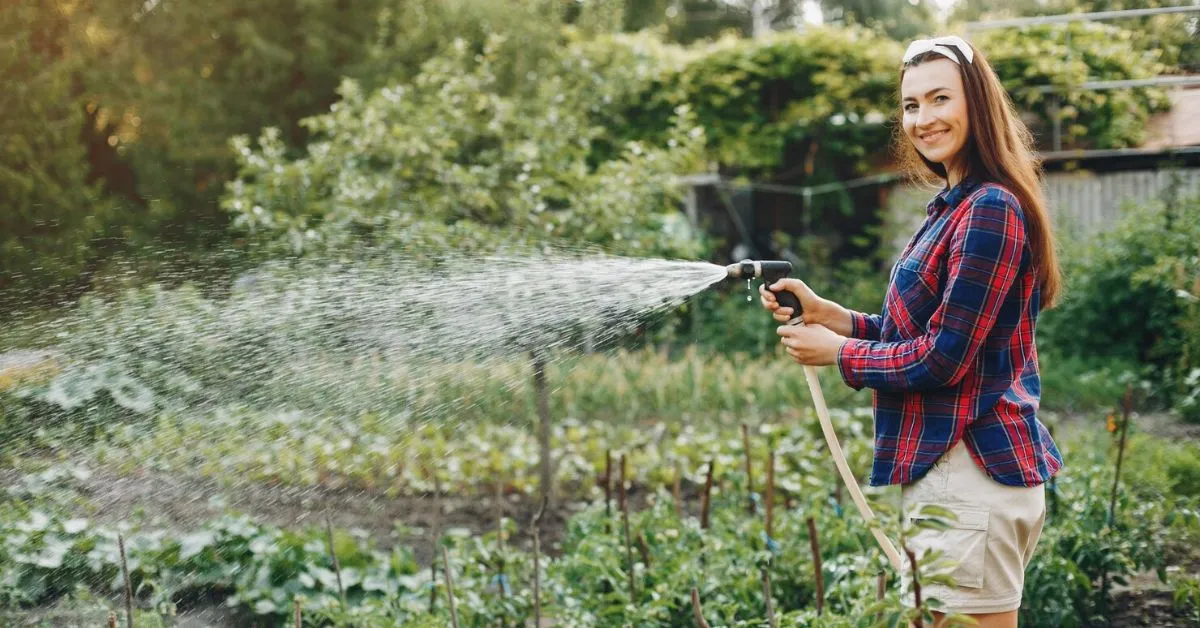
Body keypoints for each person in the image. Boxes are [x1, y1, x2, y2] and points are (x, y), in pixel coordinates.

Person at [759, 35, 1062, 627]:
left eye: (939, 99)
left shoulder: (989, 209)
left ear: (977, 103)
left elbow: (943, 358)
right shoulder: (954, 206)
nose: (923, 119)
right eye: (911, 105)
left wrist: (841, 354)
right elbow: (921, 331)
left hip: (969, 470)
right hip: (957, 474)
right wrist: (835, 317)